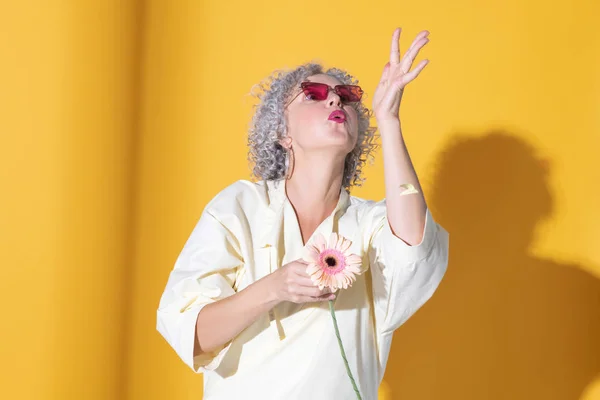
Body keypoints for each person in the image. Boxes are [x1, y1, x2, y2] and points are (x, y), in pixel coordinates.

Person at [156, 28, 449, 400]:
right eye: (313, 95)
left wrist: (388, 120)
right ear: (282, 133)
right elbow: (192, 334)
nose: (334, 102)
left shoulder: (372, 223)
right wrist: (274, 287)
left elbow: (414, 250)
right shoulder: (239, 208)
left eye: (346, 97)